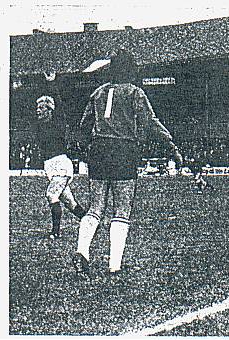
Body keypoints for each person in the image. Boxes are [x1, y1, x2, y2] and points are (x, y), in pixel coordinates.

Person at [72, 50, 182, 276]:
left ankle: (82, 250)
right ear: (130, 70)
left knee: (95, 207)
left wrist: (82, 149)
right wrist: (172, 147)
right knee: (121, 209)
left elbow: (83, 127)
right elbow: (151, 122)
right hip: (123, 150)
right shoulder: (135, 93)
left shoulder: (98, 93)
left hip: (99, 150)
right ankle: (114, 265)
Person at [33, 93, 86, 240]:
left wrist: (52, 83)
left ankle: (55, 232)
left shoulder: (58, 123)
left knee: (51, 195)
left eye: (42, 107)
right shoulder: (39, 126)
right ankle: (89, 221)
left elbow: (60, 108)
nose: (38, 110)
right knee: (69, 202)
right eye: (37, 107)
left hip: (61, 165)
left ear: (50, 110)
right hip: (50, 167)